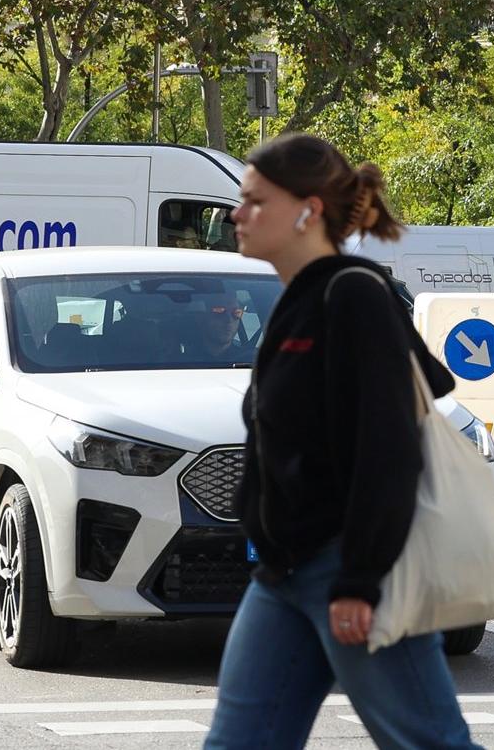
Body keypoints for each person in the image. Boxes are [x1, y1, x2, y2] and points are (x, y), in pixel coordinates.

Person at [204, 133, 478, 750]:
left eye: (253, 201)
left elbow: (388, 447)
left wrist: (360, 579)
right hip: (282, 576)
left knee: (429, 745)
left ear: (308, 211)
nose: (235, 214)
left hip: (344, 569)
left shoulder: (351, 293)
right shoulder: (297, 300)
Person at [183, 293, 249, 363]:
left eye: (236, 313)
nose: (229, 319)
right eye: (220, 311)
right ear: (201, 318)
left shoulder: (252, 361)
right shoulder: (181, 364)